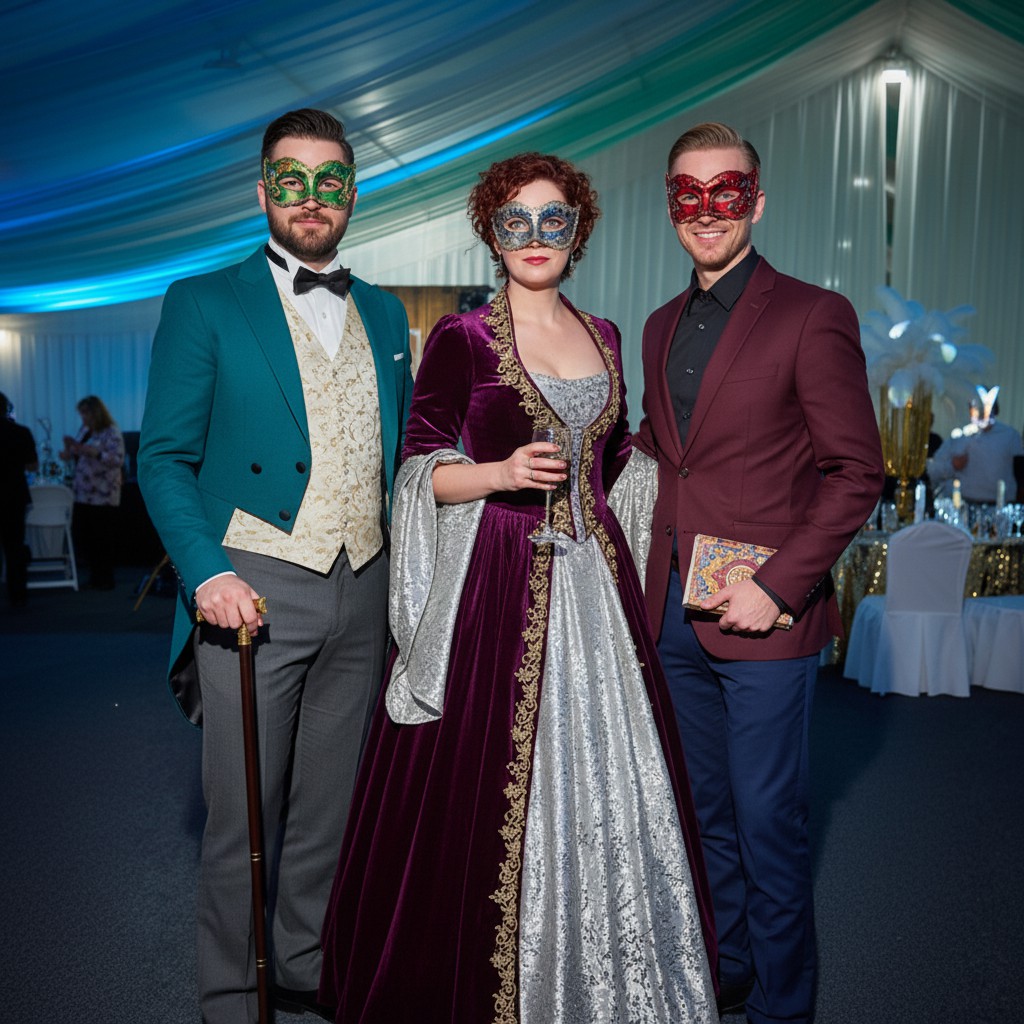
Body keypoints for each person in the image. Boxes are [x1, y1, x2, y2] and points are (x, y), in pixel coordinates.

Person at [318, 153, 718, 1023]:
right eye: (515, 221)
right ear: (491, 235)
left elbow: (618, 460)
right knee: (478, 789)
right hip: (498, 580)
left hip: (597, 586)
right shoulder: (462, 340)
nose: (535, 237)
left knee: (618, 787)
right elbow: (418, 470)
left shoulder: (606, 334)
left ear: (579, 232)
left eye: (554, 220)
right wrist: (497, 472)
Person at [138, 108, 413, 1024]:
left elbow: (402, 453)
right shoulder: (203, 301)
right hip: (250, 588)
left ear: (352, 194)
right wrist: (206, 574)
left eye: (330, 181)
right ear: (263, 192)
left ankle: (304, 963)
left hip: (363, 585)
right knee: (243, 814)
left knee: (331, 807)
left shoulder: (385, 312)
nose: (311, 199)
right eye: (291, 181)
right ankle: (230, 996)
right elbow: (164, 458)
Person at [630, 123, 884, 1024]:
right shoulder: (658, 325)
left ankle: (783, 1007)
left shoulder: (814, 314)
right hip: (672, 615)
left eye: (726, 192)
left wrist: (777, 586)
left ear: (757, 202)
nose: (707, 211)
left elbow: (856, 471)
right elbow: (663, 452)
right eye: (688, 195)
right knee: (703, 814)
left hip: (765, 619)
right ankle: (726, 970)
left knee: (769, 819)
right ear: (670, 208)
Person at [60, 395, 125, 590]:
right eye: (81, 414)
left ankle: (106, 579)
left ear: (95, 413)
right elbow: (77, 454)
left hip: (103, 494)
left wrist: (95, 453)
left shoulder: (111, 432)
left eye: (86, 413)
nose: (83, 418)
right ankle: (95, 576)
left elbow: (117, 460)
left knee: (103, 538)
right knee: (89, 538)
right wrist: (71, 448)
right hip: (84, 493)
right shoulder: (86, 431)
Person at [928, 400, 1023, 504]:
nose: (983, 411)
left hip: (998, 506)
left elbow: (1020, 475)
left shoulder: (1010, 436)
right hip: (962, 504)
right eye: (978, 407)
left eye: (987, 406)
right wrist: (952, 465)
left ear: (995, 409)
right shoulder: (959, 435)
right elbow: (932, 471)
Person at [0, 392, 39, 609]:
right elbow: (32, 466)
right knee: (15, 547)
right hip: (14, 495)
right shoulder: (21, 432)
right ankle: (18, 595)